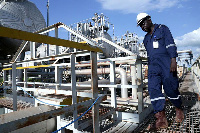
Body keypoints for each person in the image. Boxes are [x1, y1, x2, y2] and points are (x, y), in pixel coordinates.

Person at [136, 13, 184, 129]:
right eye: (140, 25)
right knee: (153, 90)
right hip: (153, 67)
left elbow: (171, 44)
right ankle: (161, 119)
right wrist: (148, 67)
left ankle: (178, 109)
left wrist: (173, 60)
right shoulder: (146, 38)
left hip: (166, 64)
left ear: (149, 19)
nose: (143, 26)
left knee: (171, 88)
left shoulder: (163, 29)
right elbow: (149, 55)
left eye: (143, 23)